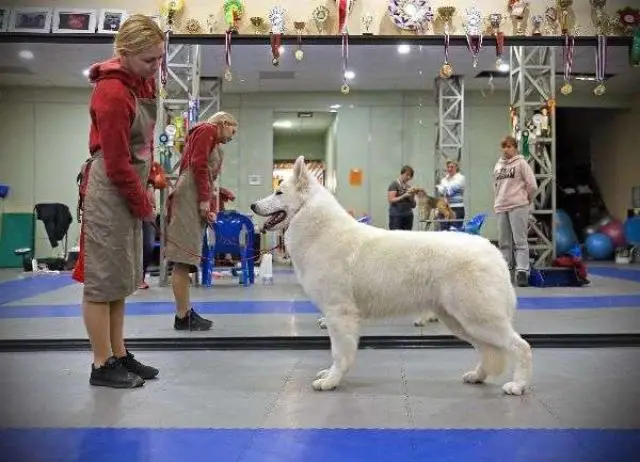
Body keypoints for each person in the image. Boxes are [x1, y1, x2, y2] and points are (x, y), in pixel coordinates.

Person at [72, 14, 164, 388]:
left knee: (122, 280)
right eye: (148, 60)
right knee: (101, 282)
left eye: (159, 58)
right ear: (124, 54)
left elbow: (139, 147)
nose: (155, 67)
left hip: (129, 188)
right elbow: (116, 161)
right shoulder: (111, 92)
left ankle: (119, 353)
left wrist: (153, 172)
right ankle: (101, 363)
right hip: (111, 190)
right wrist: (143, 205)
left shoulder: (140, 83)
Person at [164, 112, 238, 331]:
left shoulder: (214, 143)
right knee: (182, 258)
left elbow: (207, 176)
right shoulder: (206, 130)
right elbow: (198, 166)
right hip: (189, 195)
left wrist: (211, 204)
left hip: (193, 194)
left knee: (188, 258)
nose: (232, 137)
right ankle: (182, 315)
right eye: (232, 131)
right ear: (223, 124)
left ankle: (185, 312)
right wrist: (205, 201)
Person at [493, 135, 537, 287]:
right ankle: (506, 270)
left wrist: (527, 199)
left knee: (520, 240)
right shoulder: (497, 165)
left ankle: (522, 271)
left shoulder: (521, 163)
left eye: (509, 146)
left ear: (515, 148)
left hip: (518, 205)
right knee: (504, 241)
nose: (506, 149)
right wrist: (497, 201)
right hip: (501, 206)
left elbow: (532, 184)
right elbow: (495, 185)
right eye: (504, 146)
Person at [436, 160, 466, 230]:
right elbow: (441, 192)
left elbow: (449, 192)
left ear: (456, 168)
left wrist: (442, 188)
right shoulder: (444, 179)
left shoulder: (461, 178)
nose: (449, 169)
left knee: (454, 232)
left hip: (457, 208)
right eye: (448, 167)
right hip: (444, 208)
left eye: (452, 167)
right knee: (444, 231)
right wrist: (444, 189)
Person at [387, 165, 417, 230]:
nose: (408, 177)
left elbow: (413, 205)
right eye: (407, 175)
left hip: (408, 216)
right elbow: (391, 200)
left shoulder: (408, 187)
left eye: (410, 176)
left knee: (406, 237)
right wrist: (404, 196)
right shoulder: (394, 184)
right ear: (402, 173)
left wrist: (412, 196)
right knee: (396, 236)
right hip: (396, 216)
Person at [139, 180, 157, 290]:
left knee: (148, 245)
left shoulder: (153, 168)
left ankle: (140, 277)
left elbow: (161, 181)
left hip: (148, 211)